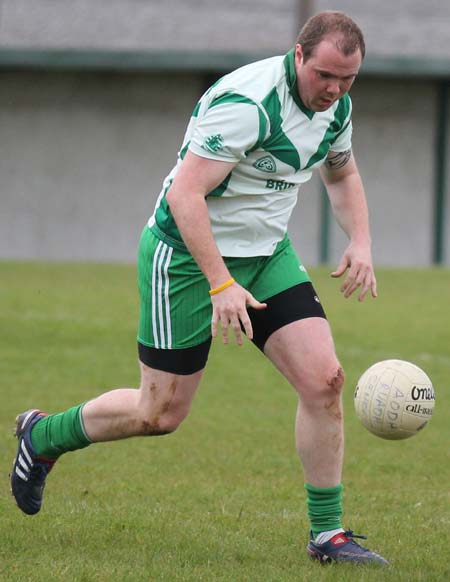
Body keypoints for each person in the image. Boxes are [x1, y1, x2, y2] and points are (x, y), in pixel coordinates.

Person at [11, 11, 388, 565]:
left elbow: (342, 172)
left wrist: (360, 240)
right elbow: (185, 196)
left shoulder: (338, 110)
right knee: (159, 413)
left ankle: (327, 535)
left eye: (347, 79)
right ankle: (43, 437)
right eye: (325, 75)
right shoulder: (248, 105)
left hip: (266, 254)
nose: (334, 90)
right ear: (299, 55)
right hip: (186, 257)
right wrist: (220, 285)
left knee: (325, 381)